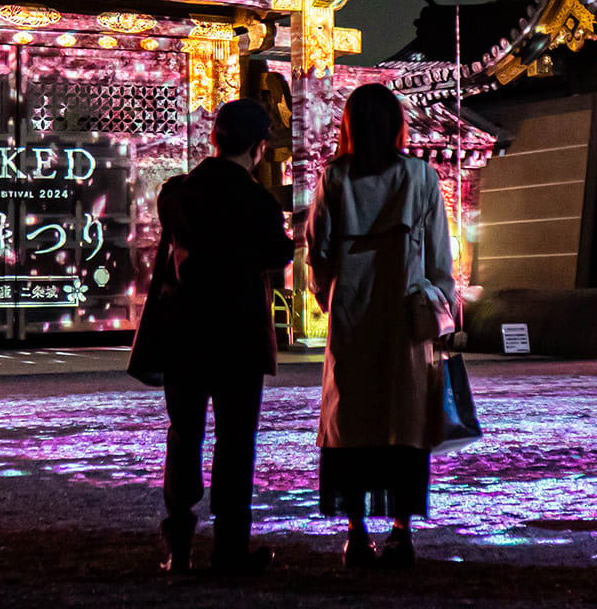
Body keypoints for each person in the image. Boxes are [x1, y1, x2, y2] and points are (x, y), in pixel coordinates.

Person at [141, 99, 296, 576]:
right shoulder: (257, 201)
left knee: (184, 431)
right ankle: (230, 546)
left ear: (215, 138)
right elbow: (278, 254)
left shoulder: (177, 193)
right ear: (258, 147)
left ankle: (178, 540)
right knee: (235, 439)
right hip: (238, 333)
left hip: (184, 329)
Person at [306, 82, 453, 569]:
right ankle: (401, 532)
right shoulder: (420, 176)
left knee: (350, 422)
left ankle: (355, 533)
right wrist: (442, 304)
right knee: (403, 421)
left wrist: (330, 294)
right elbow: (439, 254)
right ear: (396, 125)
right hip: (405, 312)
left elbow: (317, 251)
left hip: (351, 312)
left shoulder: (335, 178)